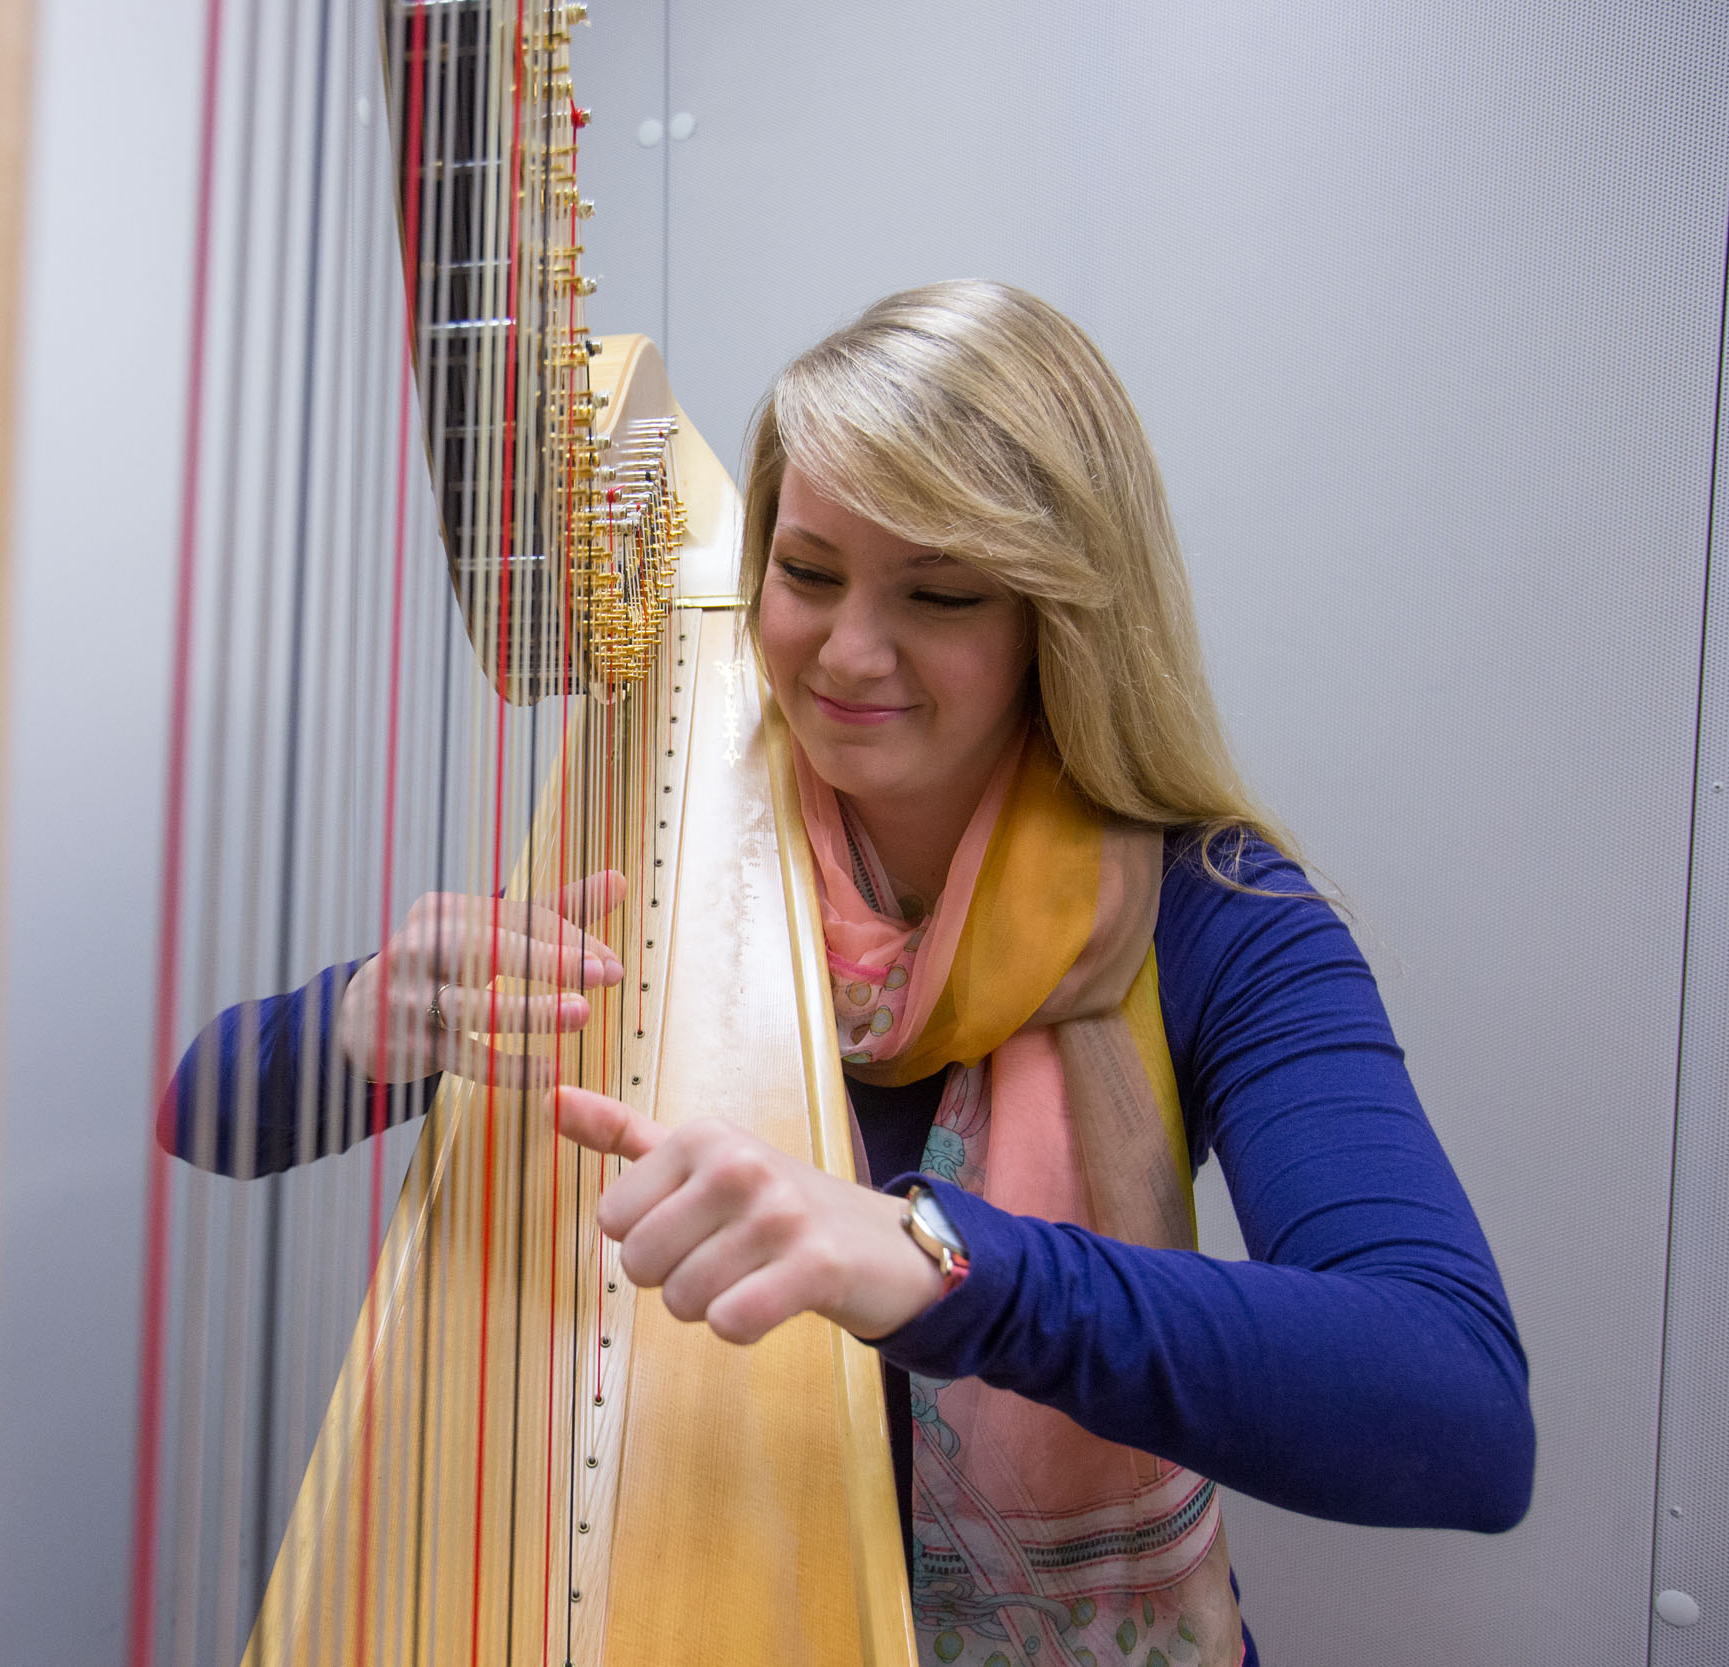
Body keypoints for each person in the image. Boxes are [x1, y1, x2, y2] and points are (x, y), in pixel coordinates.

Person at [167, 281, 1534, 1667]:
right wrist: (358, 1025)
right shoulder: (670, 830)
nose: (848, 651)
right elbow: (200, 1111)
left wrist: (934, 1259)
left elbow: (1461, 1413)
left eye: (938, 593)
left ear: (1061, 620)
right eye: (808, 572)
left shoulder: (1216, 916)